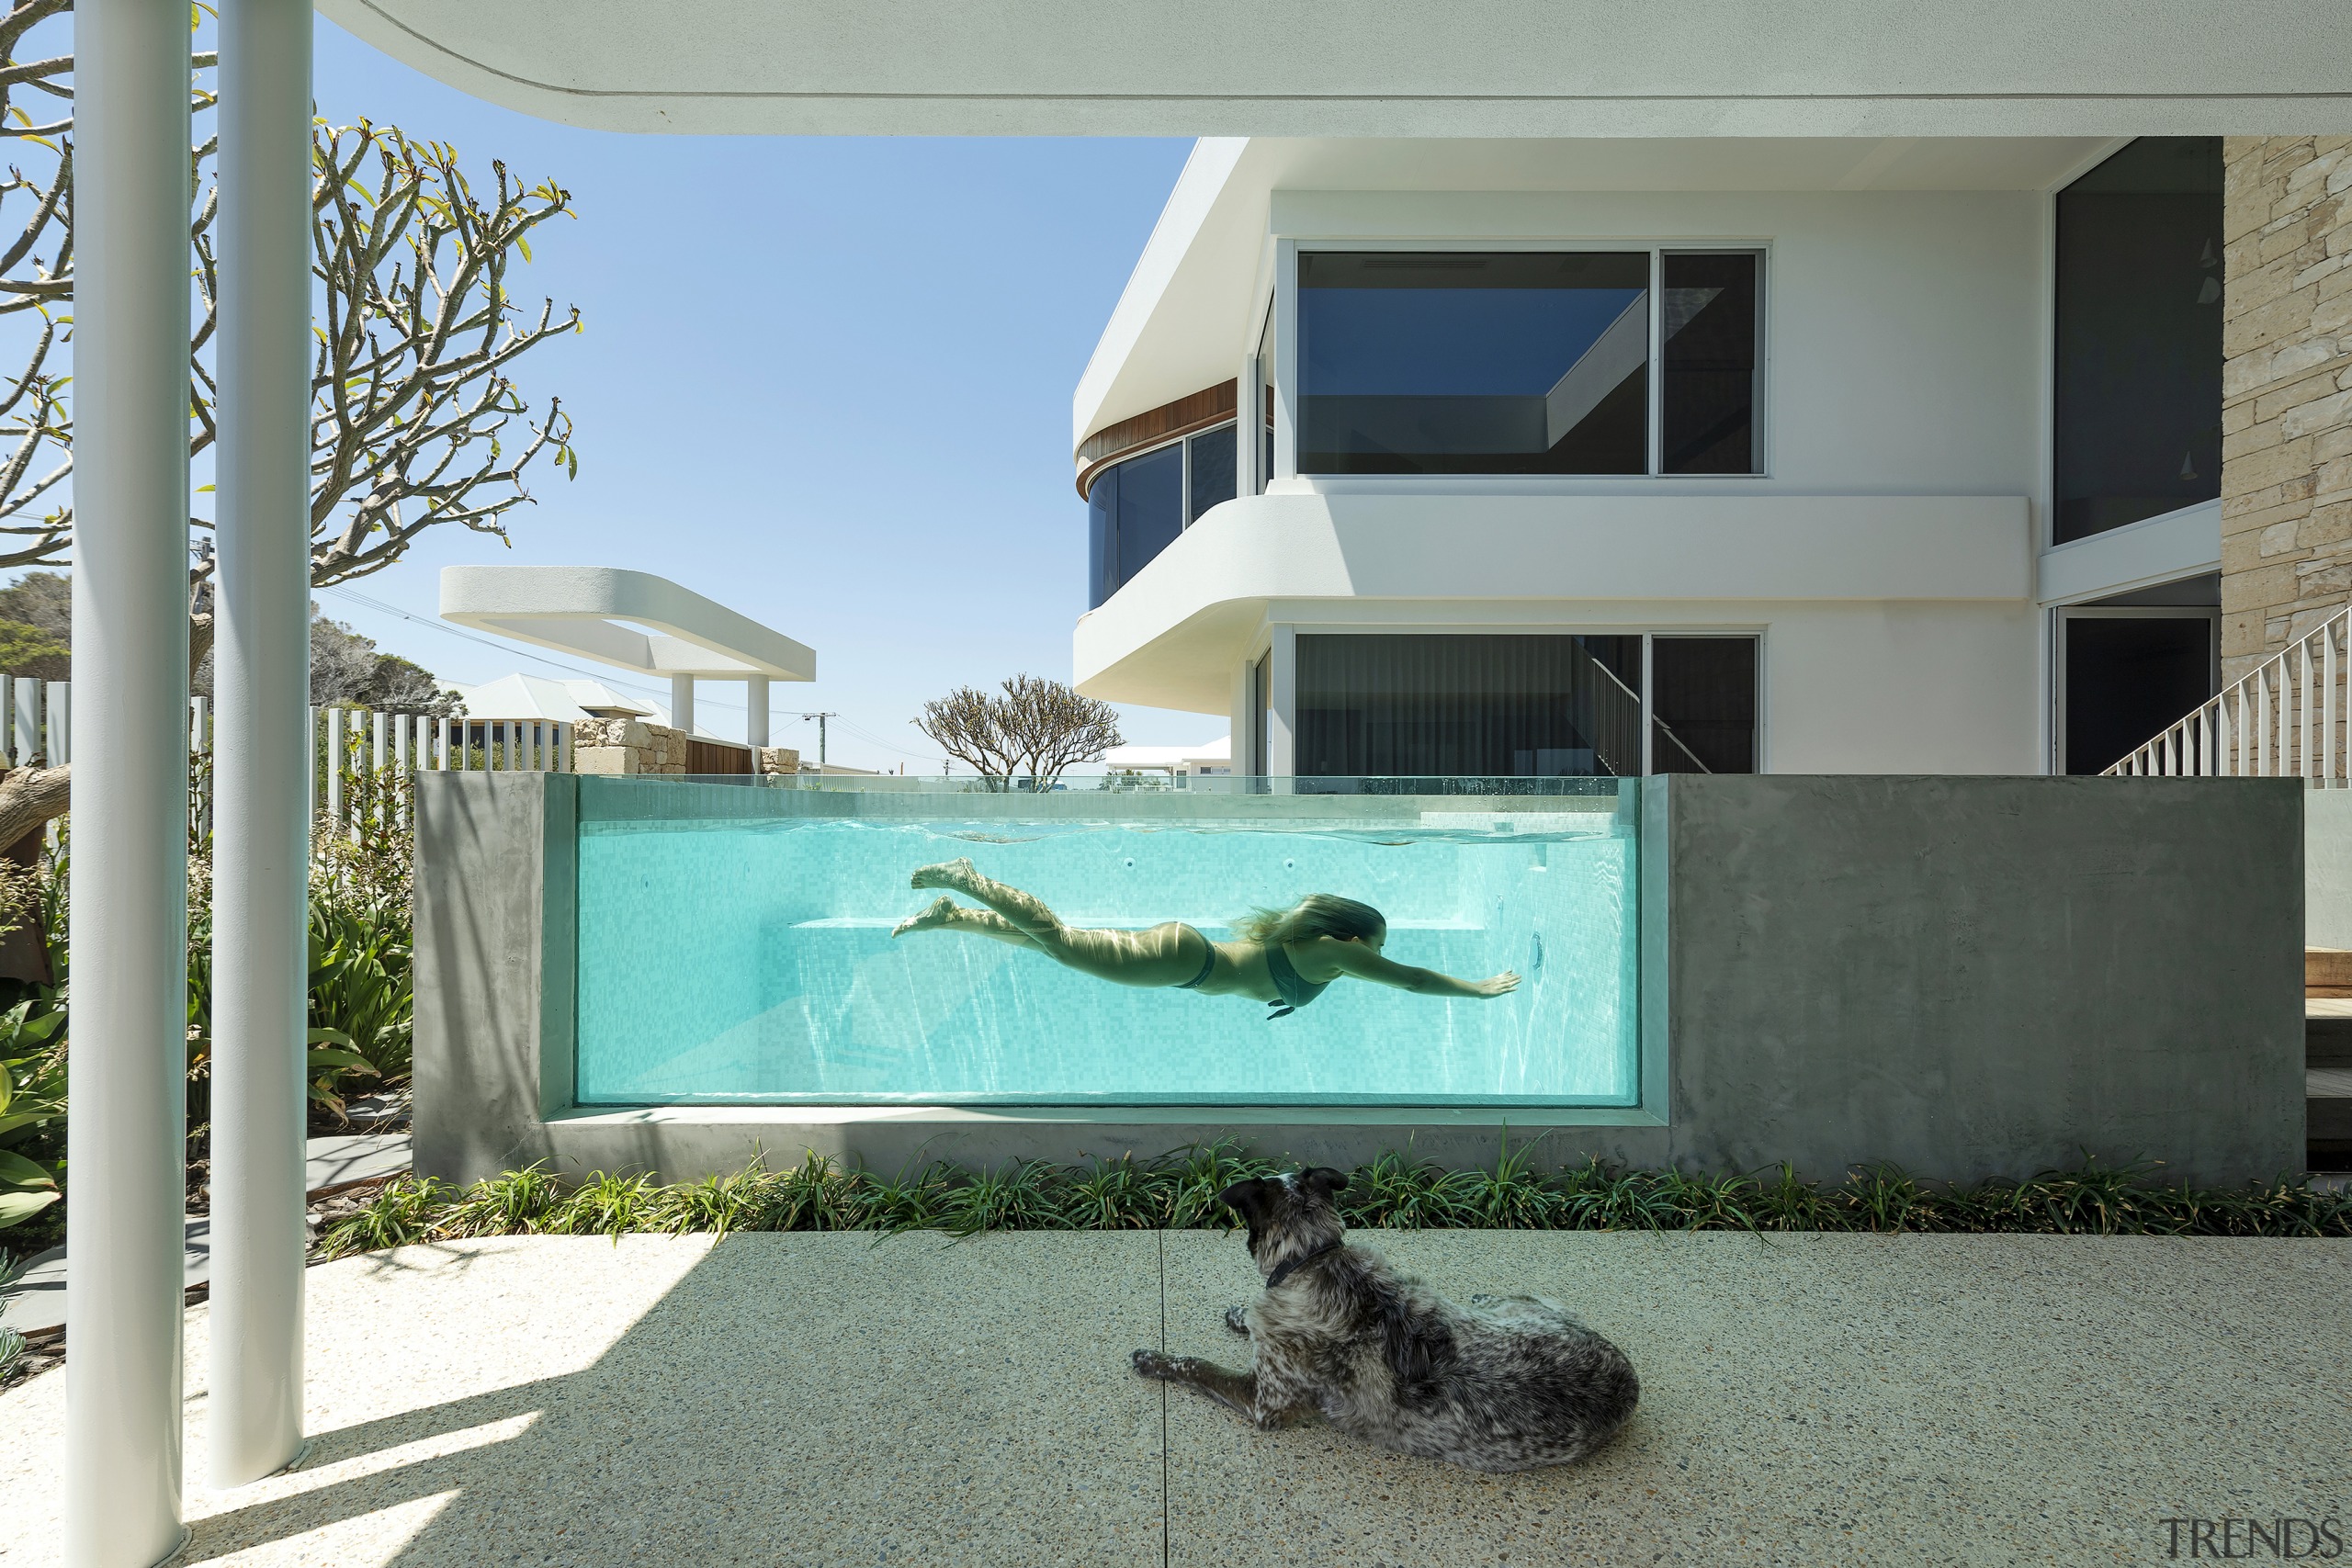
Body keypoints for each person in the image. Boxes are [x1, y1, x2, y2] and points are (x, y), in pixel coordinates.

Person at [890, 857, 1519, 1018]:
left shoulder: (1318, 954)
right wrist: (1476, 988)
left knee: (1056, 945)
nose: (1372, 957)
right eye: (1372, 943)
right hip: (1184, 961)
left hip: (1186, 956)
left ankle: (954, 915)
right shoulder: (1335, 953)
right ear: (1351, 934)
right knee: (1056, 937)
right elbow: (1409, 977)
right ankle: (969, 881)